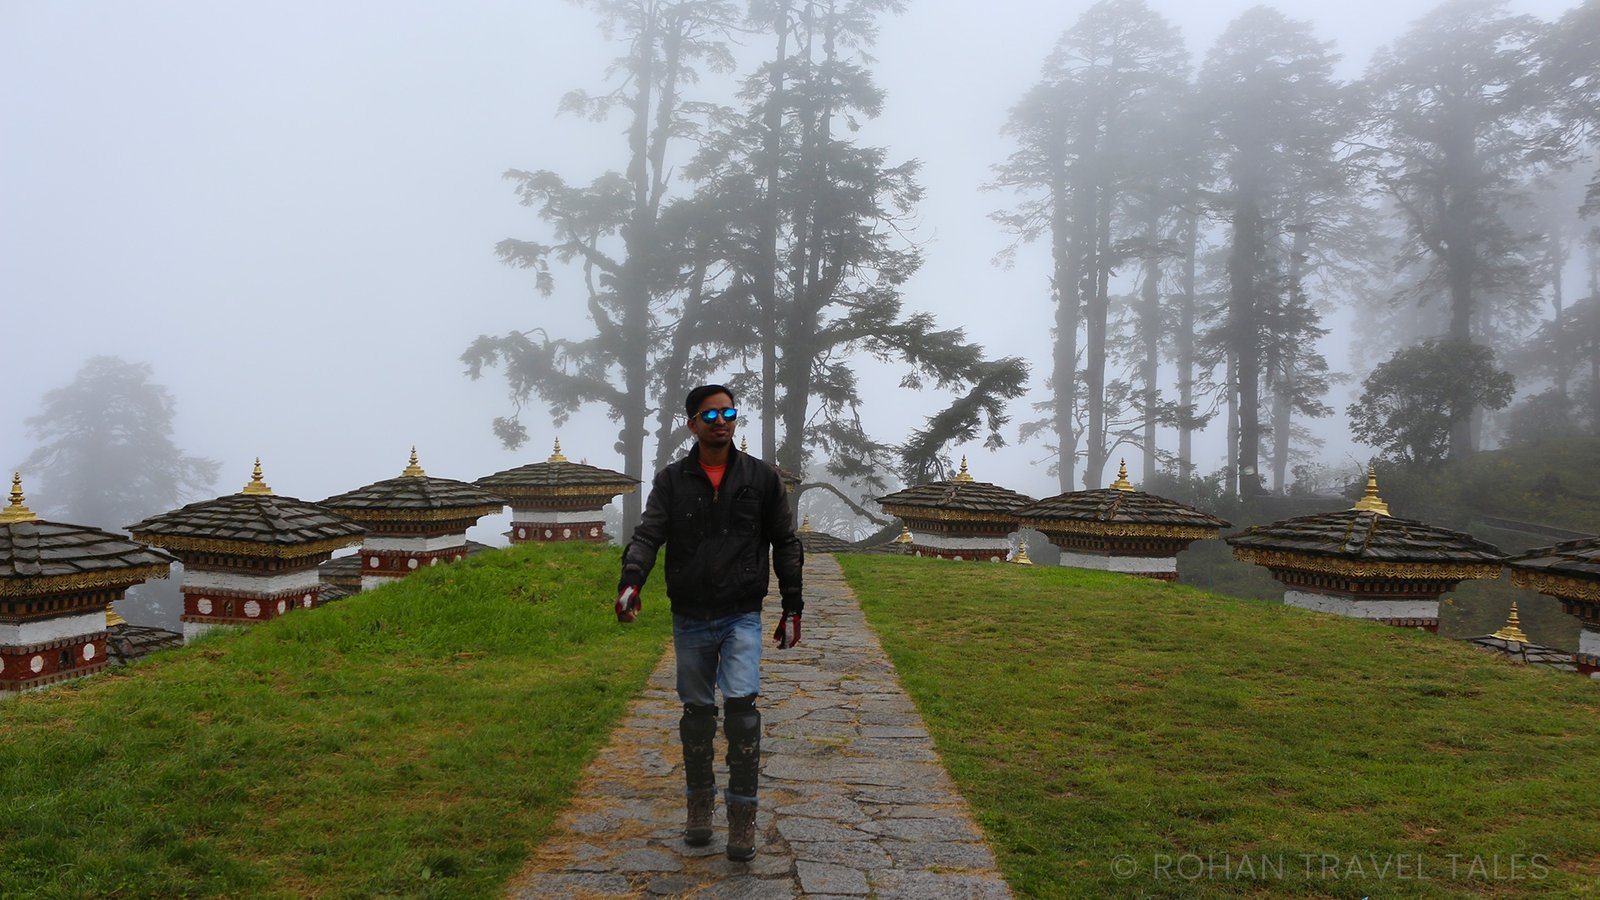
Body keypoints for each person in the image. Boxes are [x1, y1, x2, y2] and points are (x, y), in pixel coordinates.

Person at [616, 383, 804, 862]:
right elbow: (649, 533)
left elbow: (785, 542)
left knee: (743, 713)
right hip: (691, 615)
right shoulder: (672, 481)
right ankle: (699, 809)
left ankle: (743, 818)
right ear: (692, 423)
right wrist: (631, 580)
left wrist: (792, 605)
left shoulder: (761, 479)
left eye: (729, 412)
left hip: (742, 612)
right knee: (697, 717)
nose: (721, 420)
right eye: (710, 414)